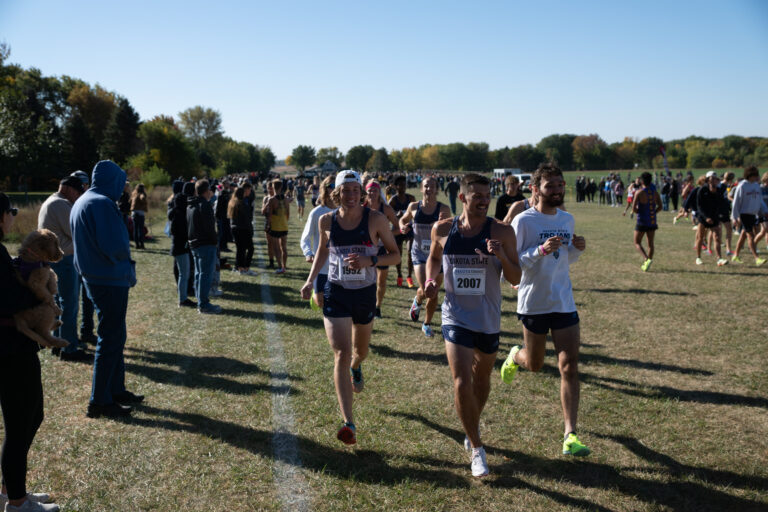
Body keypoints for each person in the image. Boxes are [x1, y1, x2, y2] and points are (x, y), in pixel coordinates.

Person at [424, 174, 520, 478]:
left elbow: (516, 277)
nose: (483, 200)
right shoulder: (442, 228)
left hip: (488, 318)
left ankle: (471, 424)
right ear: (462, 198)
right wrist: (429, 281)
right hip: (455, 316)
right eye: (476, 195)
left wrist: (501, 256)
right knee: (461, 380)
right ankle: (477, 448)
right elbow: (433, 259)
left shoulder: (503, 231)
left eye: (486, 195)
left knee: (481, 380)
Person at [300, 171, 400, 446]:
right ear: (337, 193)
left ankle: (357, 367)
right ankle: (349, 423)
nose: (352, 196)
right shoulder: (326, 220)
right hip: (336, 291)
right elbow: (322, 251)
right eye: (346, 191)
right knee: (341, 353)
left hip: (365, 293)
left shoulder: (376, 219)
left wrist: (370, 261)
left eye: (356, 190)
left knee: (360, 352)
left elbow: (395, 254)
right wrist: (310, 281)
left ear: (362, 193)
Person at [499, 163, 590, 459]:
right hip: (533, 303)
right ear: (535, 190)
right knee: (535, 365)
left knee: (569, 366)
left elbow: (565, 261)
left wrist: (576, 248)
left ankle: (570, 434)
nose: (557, 191)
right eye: (550, 186)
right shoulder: (524, 222)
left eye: (560, 185)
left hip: (563, 302)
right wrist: (539, 250)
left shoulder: (568, 219)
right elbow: (510, 269)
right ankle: (516, 355)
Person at [0, 193, 61, 512]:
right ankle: (17, 502)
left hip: (11, 345)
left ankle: (12, 488)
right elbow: (11, 299)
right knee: (22, 420)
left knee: (26, 417)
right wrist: (42, 297)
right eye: (10, 211)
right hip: (10, 348)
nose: (13, 216)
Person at [70, 161, 143, 419]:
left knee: (115, 335)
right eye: (120, 181)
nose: (123, 188)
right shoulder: (100, 203)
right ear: (111, 180)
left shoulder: (84, 199)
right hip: (108, 278)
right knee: (110, 337)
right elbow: (115, 244)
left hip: (95, 276)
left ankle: (115, 389)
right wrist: (127, 262)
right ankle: (99, 400)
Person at [37, 176, 92, 362]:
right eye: (77, 192)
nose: (78, 197)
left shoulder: (51, 201)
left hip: (54, 259)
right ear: (68, 189)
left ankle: (58, 344)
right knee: (69, 304)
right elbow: (77, 230)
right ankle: (69, 349)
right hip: (64, 259)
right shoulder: (61, 205)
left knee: (59, 304)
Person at [399, 177, 451, 337]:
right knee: (429, 289)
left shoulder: (444, 209)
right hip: (419, 254)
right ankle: (420, 299)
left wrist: (443, 223)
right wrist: (402, 227)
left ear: (437, 189)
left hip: (437, 254)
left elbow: (450, 232)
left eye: (432, 186)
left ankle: (426, 322)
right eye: (426, 186)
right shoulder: (414, 207)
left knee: (433, 292)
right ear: (421, 189)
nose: (429, 189)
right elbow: (403, 219)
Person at [363, 181, 399, 318]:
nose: (372, 193)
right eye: (370, 190)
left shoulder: (386, 209)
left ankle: (377, 306)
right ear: (366, 192)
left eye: (375, 190)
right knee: (366, 280)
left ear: (379, 193)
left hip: (382, 249)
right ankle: (369, 305)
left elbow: (397, 228)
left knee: (381, 281)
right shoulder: (361, 208)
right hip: (366, 249)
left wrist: (386, 236)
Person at [300, 176, 335, 310]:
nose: (334, 189)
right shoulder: (317, 213)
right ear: (324, 189)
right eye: (331, 186)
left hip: (339, 268)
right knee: (321, 303)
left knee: (333, 304)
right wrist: (308, 253)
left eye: (336, 186)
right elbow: (305, 237)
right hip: (321, 266)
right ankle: (316, 294)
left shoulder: (345, 212)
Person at [187, 179, 222, 314]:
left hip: (195, 243)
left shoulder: (191, 204)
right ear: (206, 191)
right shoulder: (205, 205)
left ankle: (200, 301)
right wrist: (214, 241)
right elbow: (209, 227)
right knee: (205, 275)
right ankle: (203, 304)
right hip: (205, 244)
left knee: (199, 274)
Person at [731, 166, 768, 266]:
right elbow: (736, 202)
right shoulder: (742, 186)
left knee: (743, 235)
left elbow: (759, 200)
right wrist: (734, 217)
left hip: (753, 214)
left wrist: (765, 210)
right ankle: (757, 258)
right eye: (755, 175)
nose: (757, 177)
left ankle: (735, 255)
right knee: (750, 236)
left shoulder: (756, 186)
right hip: (744, 214)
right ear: (749, 175)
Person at [168, 181, 195, 308]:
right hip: (180, 247)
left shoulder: (176, 213)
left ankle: (183, 297)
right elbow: (179, 232)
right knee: (184, 274)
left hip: (179, 247)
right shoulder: (179, 215)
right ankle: (182, 299)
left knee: (183, 273)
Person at [694, 171, 728, 266]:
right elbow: (699, 206)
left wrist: (720, 215)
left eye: (715, 178)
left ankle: (719, 258)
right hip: (703, 217)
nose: (714, 180)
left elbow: (721, 204)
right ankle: (698, 257)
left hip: (714, 217)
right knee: (700, 237)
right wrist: (706, 217)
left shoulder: (718, 191)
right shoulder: (702, 190)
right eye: (711, 178)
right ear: (708, 180)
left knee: (717, 237)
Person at [388, 175, 416, 288]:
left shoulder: (411, 198)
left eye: (405, 185)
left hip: (409, 229)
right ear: (396, 186)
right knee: (398, 254)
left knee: (410, 252)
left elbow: (416, 213)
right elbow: (387, 215)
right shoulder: (393, 200)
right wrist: (396, 215)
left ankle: (409, 276)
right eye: (400, 185)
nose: (403, 187)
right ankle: (399, 275)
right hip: (397, 230)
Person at [632, 172, 662, 271]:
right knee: (650, 244)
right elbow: (660, 207)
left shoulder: (639, 192)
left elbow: (634, 209)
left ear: (641, 181)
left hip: (642, 221)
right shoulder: (655, 192)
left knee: (637, 242)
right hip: (652, 221)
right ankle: (647, 264)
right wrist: (653, 213)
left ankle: (646, 259)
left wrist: (639, 212)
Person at [228, 182, 256, 275]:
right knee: (250, 249)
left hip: (235, 228)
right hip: (243, 228)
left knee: (241, 249)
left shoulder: (233, 202)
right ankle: (245, 268)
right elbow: (248, 218)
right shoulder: (242, 204)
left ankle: (239, 268)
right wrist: (250, 230)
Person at [262, 179, 289, 274]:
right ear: (281, 187)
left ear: (273, 187)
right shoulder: (286, 198)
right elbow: (288, 214)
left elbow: (269, 216)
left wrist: (269, 225)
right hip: (284, 225)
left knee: (276, 247)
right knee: (284, 248)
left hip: (275, 225)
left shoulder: (271, 199)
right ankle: (284, 266)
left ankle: (279, 266)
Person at [129, 183, 148, 249]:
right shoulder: (141, 194)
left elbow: (130, 201)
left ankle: (137, 244)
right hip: (140, 214)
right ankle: (141, 244)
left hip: (133, 213)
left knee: (135, 229)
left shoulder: (133, 193)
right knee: (140, 229)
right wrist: (144, 201)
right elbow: (142, 198)